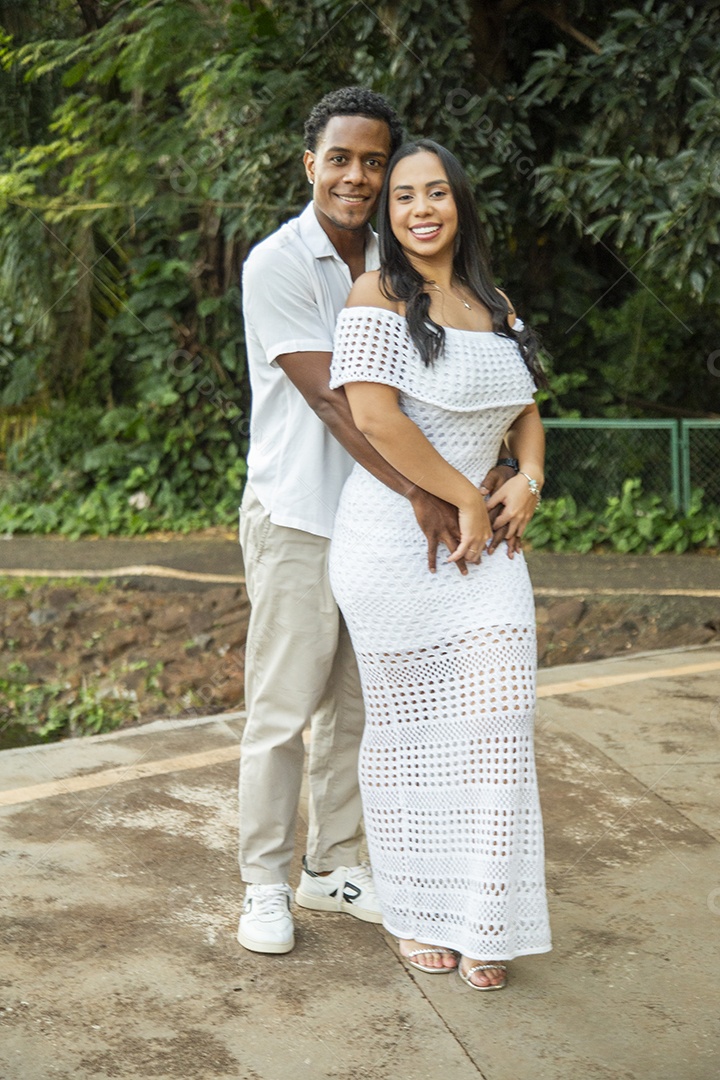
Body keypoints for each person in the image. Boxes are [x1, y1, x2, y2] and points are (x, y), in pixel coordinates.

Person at [238, 90, 520, 956]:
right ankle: (263, 883)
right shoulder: (278, 262)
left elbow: (459, 384)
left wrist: (500, 468)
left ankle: (331, 865)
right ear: (310, 165)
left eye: (374, 162)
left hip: (384, 530)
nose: (357, 177)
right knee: (284, 709)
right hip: (302, 514)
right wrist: (430, 494)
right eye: (341, 159)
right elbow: (338, 401)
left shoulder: (402, 258)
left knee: (360, 710)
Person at [328, 139, 552, 989]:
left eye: (435, 194)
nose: (420, 209)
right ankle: (417, 913)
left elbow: (526, 409)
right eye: (403, 197)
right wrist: (465, 496)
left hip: (486, 550)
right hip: (395, 545)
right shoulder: (376, 294)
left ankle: (485, 915)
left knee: (500, 722)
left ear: (459, 203)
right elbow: (374, 418)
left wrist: (527, 479)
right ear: (389, 215)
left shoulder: (494, 302)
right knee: (412, 737)